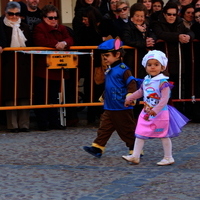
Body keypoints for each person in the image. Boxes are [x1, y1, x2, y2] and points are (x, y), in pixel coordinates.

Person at [122, 50, 189, 165]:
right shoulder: (146, 80)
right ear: (145, 67)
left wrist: (156, 110)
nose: (152, 67)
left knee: (163, 135)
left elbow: (164, 99)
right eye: (149, 65)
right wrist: (129, 98)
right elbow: (140, 92)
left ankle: (168, 157)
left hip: (160, 113)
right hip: (146, 112)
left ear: (162, 67)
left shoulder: (163, 82)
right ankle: (135, 156)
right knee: (140, 133)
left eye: (156, 65)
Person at [83, 38, 138, 158]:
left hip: (122, 106)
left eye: (107, 55)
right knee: (104, 128)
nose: (104, 58)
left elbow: (131, 83)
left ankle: (135, 148)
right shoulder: (109, 69)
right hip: (110, 106)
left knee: (127, 129)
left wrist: (130, 95)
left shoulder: (124, 69)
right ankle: (97, 147)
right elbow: (110, 85)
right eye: (103, 56)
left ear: (117, 54)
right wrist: (104, 95)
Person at [32, 4, 74, 131]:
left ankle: (54, 121)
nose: (53, 20)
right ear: (44, 18)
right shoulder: (39, 28)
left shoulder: (62, 28)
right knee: (42, 96)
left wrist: (64, 43)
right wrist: (56, 44)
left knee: (54, 96)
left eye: (55, 17)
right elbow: (40, 41)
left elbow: (70, 38)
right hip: (43, 68)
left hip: (58, 67)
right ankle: (43, 123)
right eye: (50, 18)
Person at [151, 2, 194, 101]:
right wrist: (178, 37)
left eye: (174, 14)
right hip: (163, 63)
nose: (172, 17)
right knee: (163, 90)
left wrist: (189, 37)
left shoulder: (180, 23)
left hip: (178, 62)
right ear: (164, 14)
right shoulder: (157, 23)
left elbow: (190, 32)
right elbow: (161, 34)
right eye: (169, 14)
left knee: (177, 90)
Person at [0, 1, 32, 132]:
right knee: (10, 94)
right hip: (8, 64)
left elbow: (31, 44)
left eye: (17, 14)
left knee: (24, 94)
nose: (14, 16)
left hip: (23, 64)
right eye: (11, 14)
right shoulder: (1, 26)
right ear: (5, 14)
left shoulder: (24, 27)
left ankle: (24, 124)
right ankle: (12, 125)